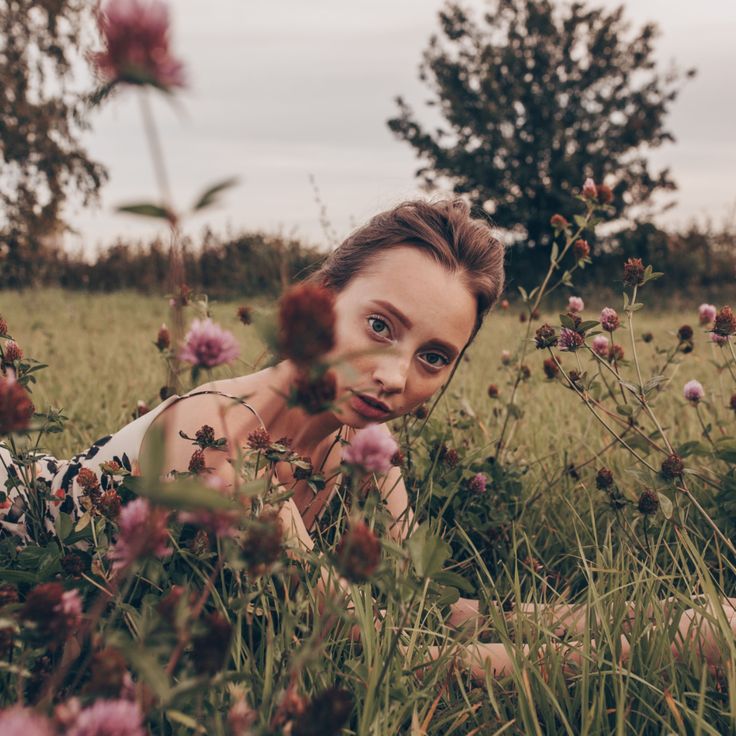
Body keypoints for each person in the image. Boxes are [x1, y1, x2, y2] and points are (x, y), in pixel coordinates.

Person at [1, 199, 734, 679]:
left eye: (433, 356)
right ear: (321, 300)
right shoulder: (220, 432)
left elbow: (414, 605)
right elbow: (358, 645)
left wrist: (639, 614)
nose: (393, 374)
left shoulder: (361, 445)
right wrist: (656, 657)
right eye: (379, 325)